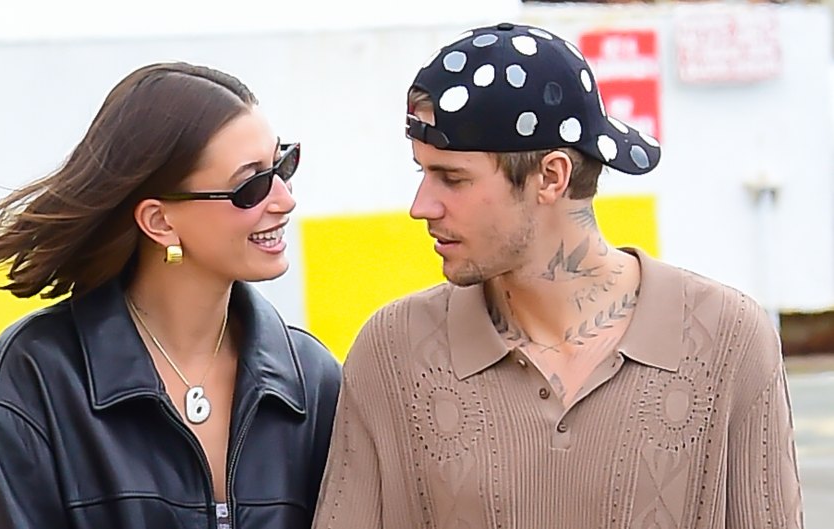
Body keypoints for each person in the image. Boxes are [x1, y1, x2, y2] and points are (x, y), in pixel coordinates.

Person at [312, 22, 803, 528]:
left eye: (452, 178)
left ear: (551, 177)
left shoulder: (730, 340)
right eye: (423, 172)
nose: (421, 206)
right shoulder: (392, 352)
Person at [0, 62, 341, 529]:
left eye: (282, 165)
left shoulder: (312, 382)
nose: (284, 199)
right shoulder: (33, 387)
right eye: (250, 185)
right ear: (159, 222)